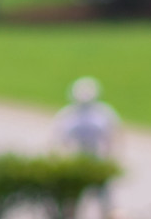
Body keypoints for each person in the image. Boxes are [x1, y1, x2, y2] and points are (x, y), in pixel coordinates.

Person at [52, 77, 121, 219]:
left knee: (106, 203)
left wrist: (110, 159)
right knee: (71, 203)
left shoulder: (102, 114)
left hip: (98, 164)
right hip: (77, 165)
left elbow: (113, 137)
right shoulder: (69, 116)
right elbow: (59, 142)